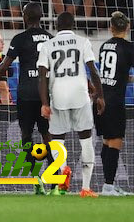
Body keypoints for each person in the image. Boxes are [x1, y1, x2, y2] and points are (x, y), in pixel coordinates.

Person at [0, 3, 54, 194]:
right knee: (48, 138)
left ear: (25, 17)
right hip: (46, 95)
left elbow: (4, 66)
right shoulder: (52, 39)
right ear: (41, 17)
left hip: (27, 94)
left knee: (26, 137)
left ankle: (37, 181)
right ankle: (55, 180)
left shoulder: (20, 38)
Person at [37, 12, 104, 198]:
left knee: (58, 141)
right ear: (73, 25)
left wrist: (44, 103)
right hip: (80, 96)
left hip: (58, 96)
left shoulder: (47, 45)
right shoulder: (82, 42)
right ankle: (85, 188)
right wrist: (100, 96)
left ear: (57, 26)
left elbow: (42, 76)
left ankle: (64, 169)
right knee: (86, 140)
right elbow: (93, 70)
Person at [96, 11, 134, 196]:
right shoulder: (129, 48)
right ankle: (108, 186)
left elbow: (111, 71)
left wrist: (128, 78)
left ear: (111, 28)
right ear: (127, 28)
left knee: (107, 141)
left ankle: (108, 185)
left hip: (101, 99)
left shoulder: (104, 46)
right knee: (115, 141)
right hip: (115, 101)